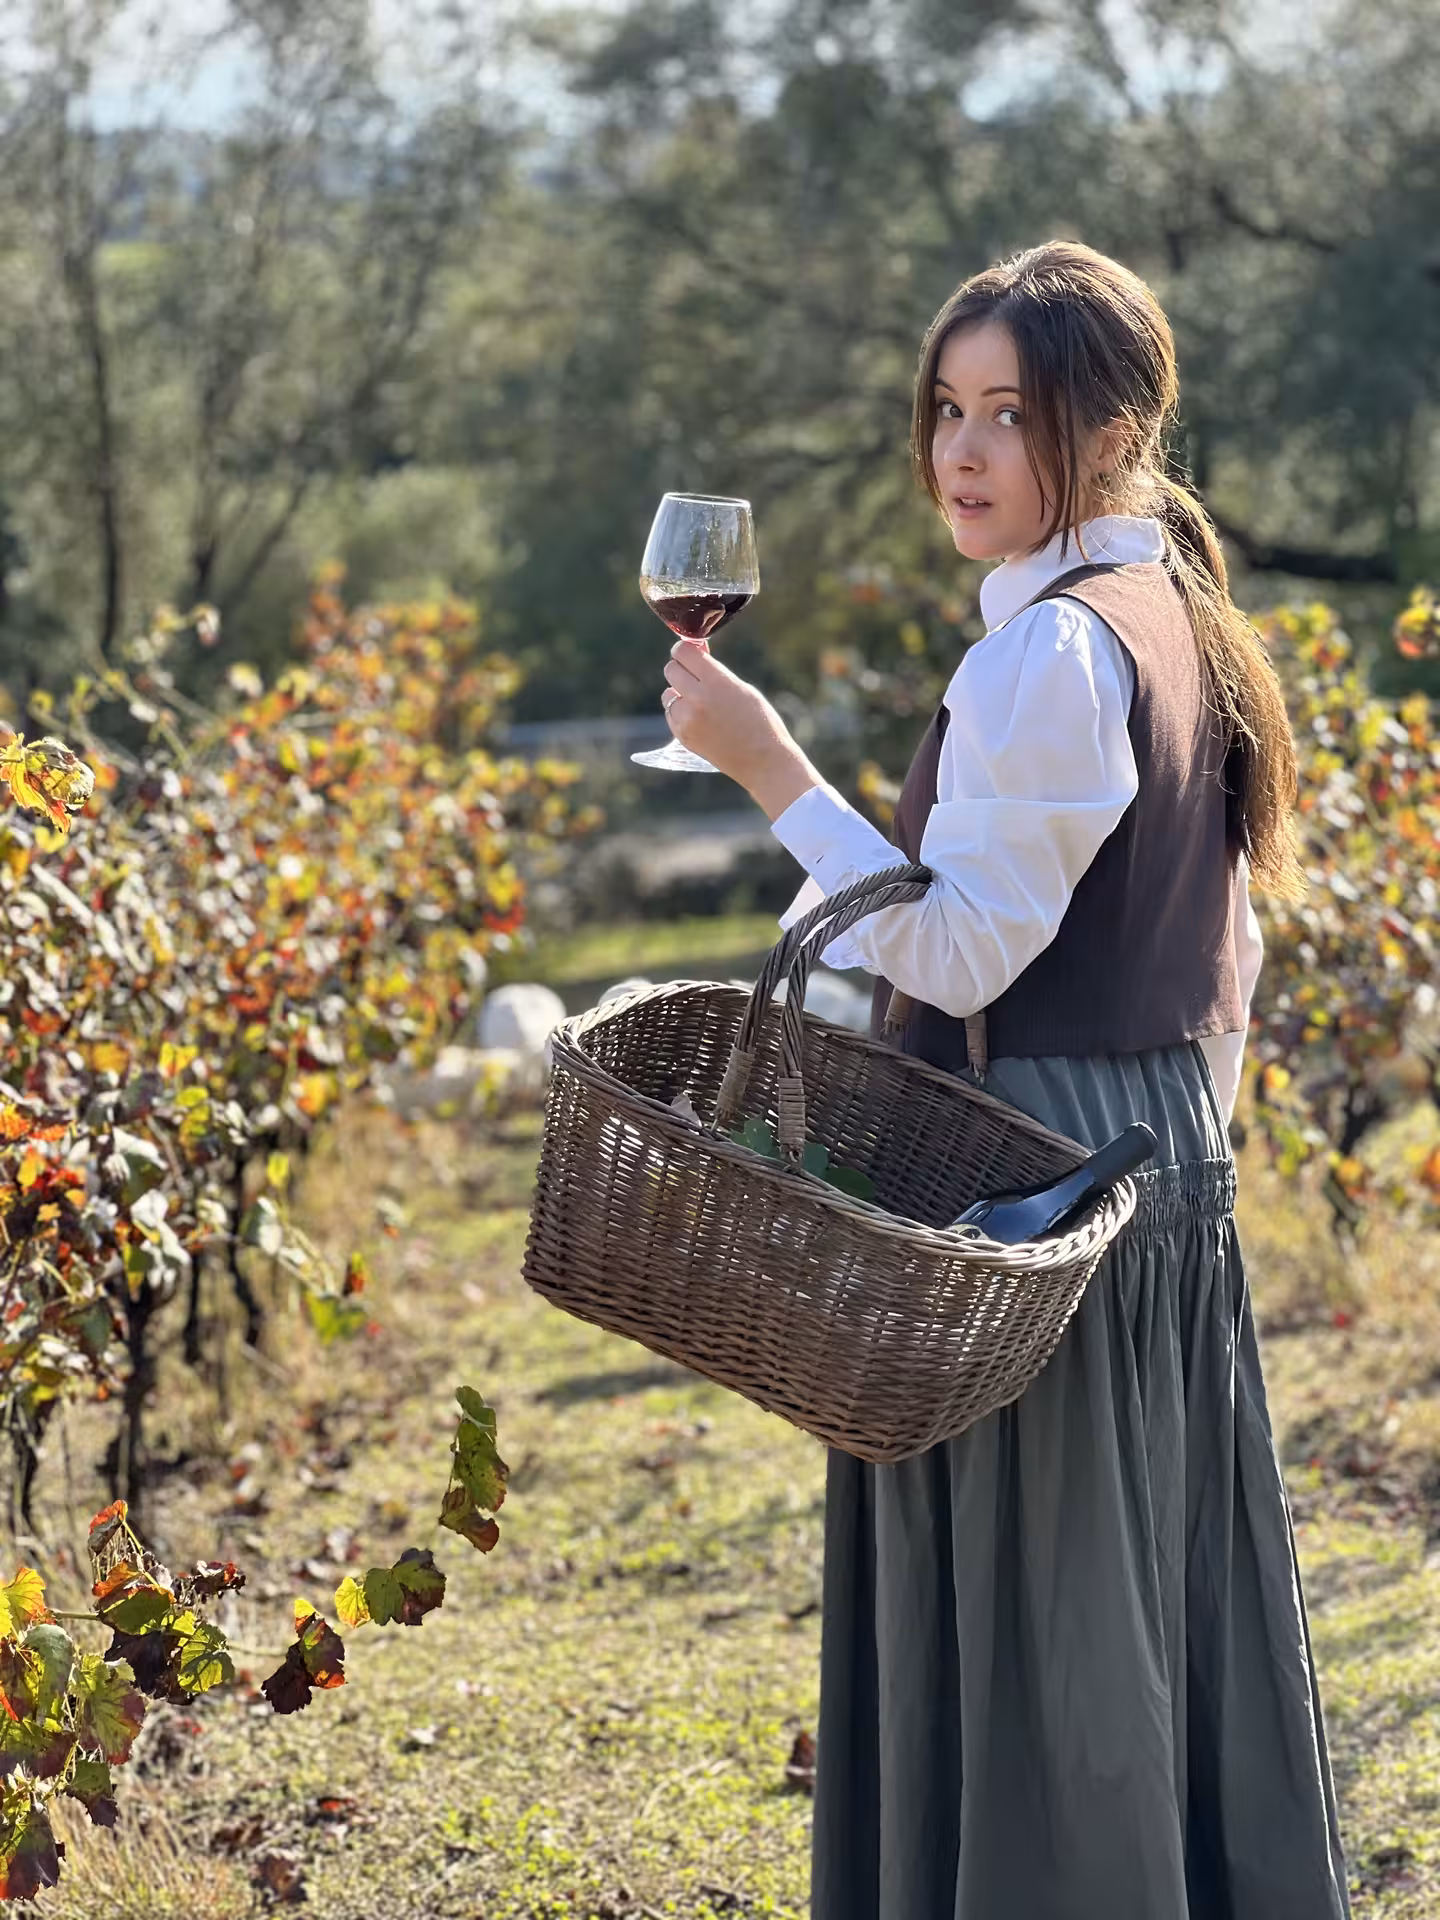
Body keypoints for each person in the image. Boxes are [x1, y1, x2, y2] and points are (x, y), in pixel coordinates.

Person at [656, 240, 1353, 1919]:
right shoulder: (1175, 621)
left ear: (1108, 432)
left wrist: (771, 775)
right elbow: (1230, 957)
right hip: (1146, 1153)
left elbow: (958, 951)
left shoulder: (1048, 654)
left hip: (1034, 1165)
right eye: (947, 411)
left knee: (1050, 1608)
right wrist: (1186, 1162)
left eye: (1007, 416)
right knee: (1135, 1595)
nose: (960, 455)